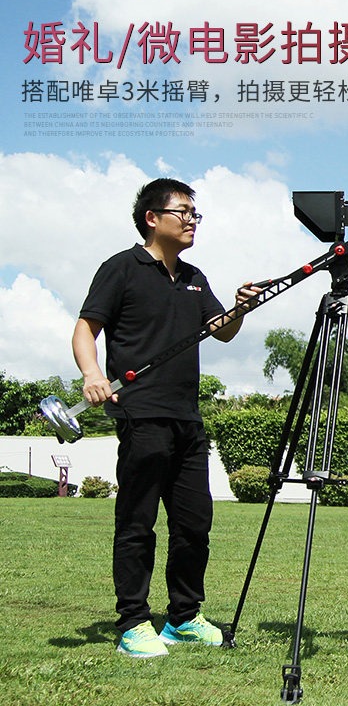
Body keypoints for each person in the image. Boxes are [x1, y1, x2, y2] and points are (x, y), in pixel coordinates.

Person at [72, 178, 260, 659]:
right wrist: (92, 374)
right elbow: (86, 328)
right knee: (137, 523)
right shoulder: (121, 268)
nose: (192, 220)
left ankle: (183, 617)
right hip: (141, 414)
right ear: (152, 218)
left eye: (196, 213)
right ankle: (134, 622)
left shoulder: (194, 276)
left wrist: (240, 308)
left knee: (194, 524)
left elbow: (221, 331)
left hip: (187, 419)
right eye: (183, 211)